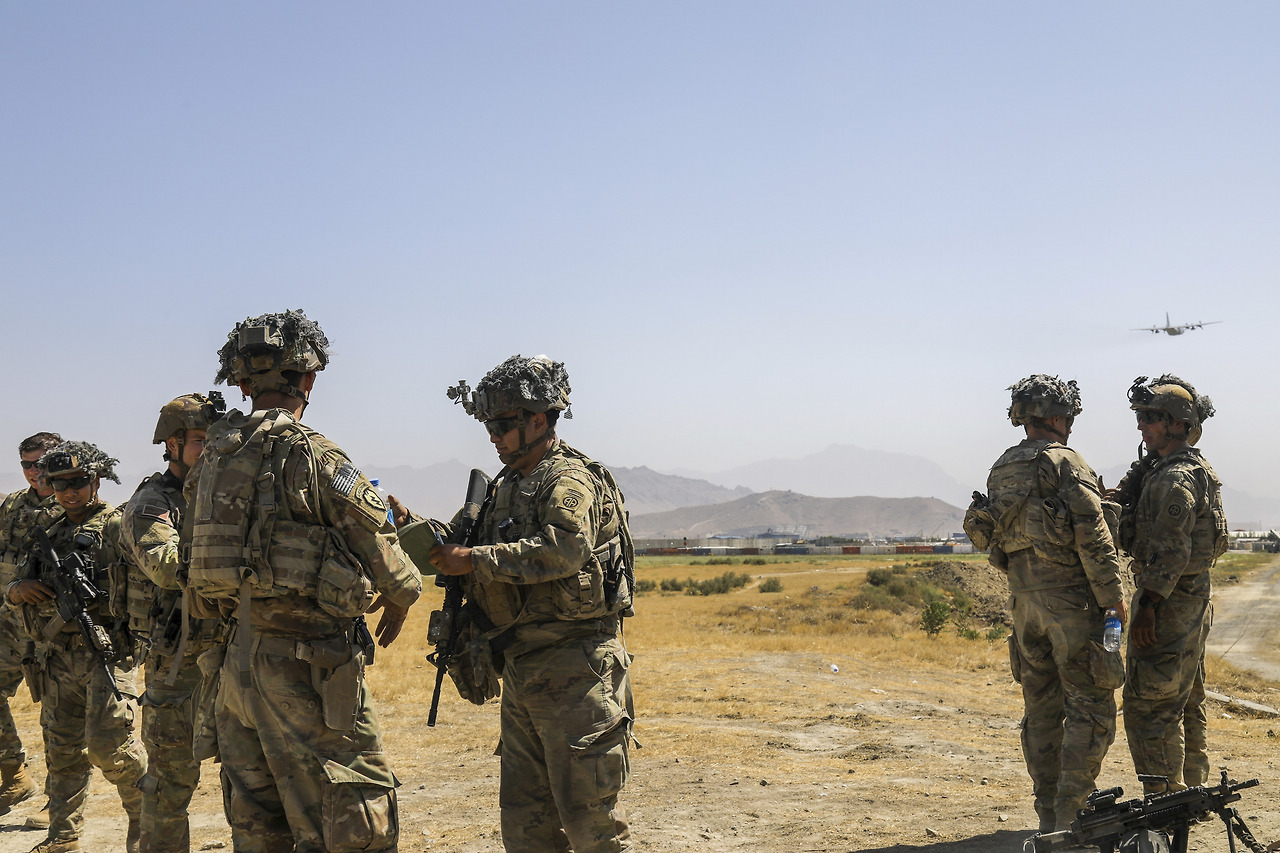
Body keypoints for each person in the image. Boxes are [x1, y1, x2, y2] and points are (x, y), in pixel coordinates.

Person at [183, 310, 421, 853]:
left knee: (259, 825)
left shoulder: (212, 458)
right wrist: (402, 596)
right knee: (350, 812)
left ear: (242, 383)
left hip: (235, 667)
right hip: (307, 667)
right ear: (308, 379)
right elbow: (388, 564)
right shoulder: (314, 454)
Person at [423, 354, 636, 853]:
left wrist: (472, 560)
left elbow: (565, 549)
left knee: (590, 826)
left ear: (538, 420)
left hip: (576, 669)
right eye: (489, 426)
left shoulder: (567, 480)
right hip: (522, 667)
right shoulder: (506, 486)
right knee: (526, 827)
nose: (493, 437)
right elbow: (462, 542)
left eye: (502, 425)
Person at [963, 375, 1127, 833]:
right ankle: (1071, 817)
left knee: (1041, 711)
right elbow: (1093, 535)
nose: (1071, 424)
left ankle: (1047, 815)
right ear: (1055, 416)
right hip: (1071, 606)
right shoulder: (1065, 461)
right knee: (1091, 706)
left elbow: (994, 539)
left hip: (1024, 608)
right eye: (1068, 416)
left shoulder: (1001, 468)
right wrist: (1113, 598)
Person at [5, 441, 147, 853]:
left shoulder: (117, 527)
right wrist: (19, 589)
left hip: (107, 651)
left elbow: (148, 583)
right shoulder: (46, 533)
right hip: (55, 658)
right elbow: (14, 586)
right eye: (60, 484)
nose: (69, 492)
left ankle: (145, 819)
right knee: (62, 751)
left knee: (110, 746)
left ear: (96, 480)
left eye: (79, 482)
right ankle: (63, 836)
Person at [119, 393, 226, 853]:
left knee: (253, 775)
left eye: (215, 439)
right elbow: (165, 568)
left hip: (235, 652)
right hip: (178, 662)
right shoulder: (152, 502)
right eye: (201, 440)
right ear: (172, 444)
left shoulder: (229, 495)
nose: (210, 449)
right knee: (168, 783)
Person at [1111, 375, 1225, 795]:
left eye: (1151, 418)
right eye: (1140, 418)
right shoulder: (1185, 470)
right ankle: (1192, 793)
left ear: (1178, 424)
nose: (1142, 426)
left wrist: (1148, 605)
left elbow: (1173, 552)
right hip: (1189, 600)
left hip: (1169, 603)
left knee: (1150, 705)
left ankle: (1165, 800)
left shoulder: (1175, 478)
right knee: (1185, 698)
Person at [0, 432, 62, 821]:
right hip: (9, 621)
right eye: (27, 464)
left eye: (41, 463)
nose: (33, 471)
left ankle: (60, 801)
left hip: (52, 627)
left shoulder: (72, 503)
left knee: (57, 712)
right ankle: (13, 774)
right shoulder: (11, 506)